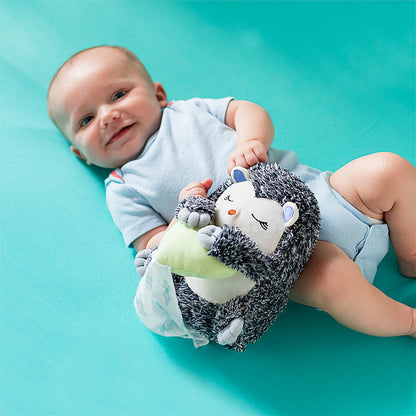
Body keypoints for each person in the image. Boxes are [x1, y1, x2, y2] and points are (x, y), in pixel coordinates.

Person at [47, 45, 416, 339]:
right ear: (81, 153)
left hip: (323, 195)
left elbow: (248, 111)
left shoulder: (188, 111)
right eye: (86, 119)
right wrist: (184, 217)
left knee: (389, 169)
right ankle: (409, 322)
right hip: (282, 254)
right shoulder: (122, 186)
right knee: (333, 282)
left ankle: (412, 256)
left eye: (118, 94)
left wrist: (251, 141)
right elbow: (157, 246)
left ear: (158, 94)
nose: (107, 116)